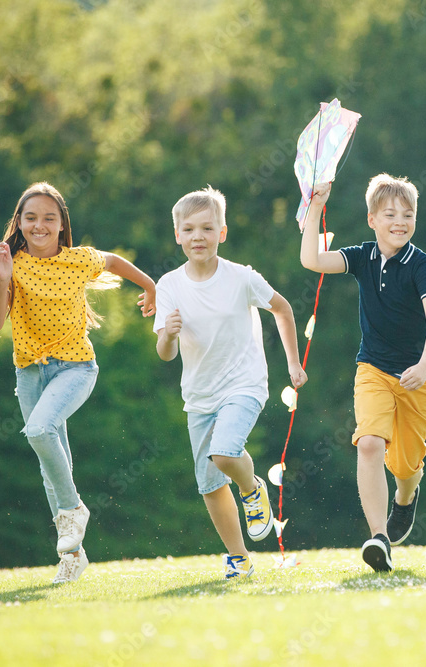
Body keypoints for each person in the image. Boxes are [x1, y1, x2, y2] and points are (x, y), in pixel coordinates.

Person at [0, 182, 157, 584]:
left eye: (49, 218)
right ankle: (72, 557)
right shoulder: (12, 264)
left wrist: (151, 287)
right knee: (50, 464)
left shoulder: (79, 260)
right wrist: (2, 279)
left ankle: (73, 511)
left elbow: (115, 261)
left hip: (75, 369)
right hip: (30, 374)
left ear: (61, 224)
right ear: (19, 222)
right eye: (31, 217)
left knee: (38, 429)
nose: (39, 225)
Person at [154, 186, 307, 580]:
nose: (198, 237)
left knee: (224, 454)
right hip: (199, 396)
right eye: (189, 230)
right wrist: (168, 335)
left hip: (245, 384)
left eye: (207, 228)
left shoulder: (241, 277)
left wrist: (293, 362)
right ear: (178, 235)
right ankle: (239, 557)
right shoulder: (169, 285)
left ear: (222, 232)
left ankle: (253, 490)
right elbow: (165, 354)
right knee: (209, 486)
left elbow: (283, 308)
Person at [300, 174, 426, 573]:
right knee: (368, 444)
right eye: (390, 214)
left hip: (420, 379)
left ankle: (405, 495)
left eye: (407, 214)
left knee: (405, 465)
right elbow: (311, 260)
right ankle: (379, 537)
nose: (399, 221)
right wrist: (315, 206)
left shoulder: (421, 265)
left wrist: (422, 364)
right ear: (372, 220)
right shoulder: (362, 257)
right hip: (374, 370)